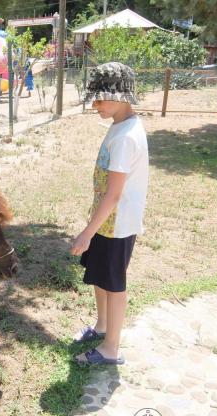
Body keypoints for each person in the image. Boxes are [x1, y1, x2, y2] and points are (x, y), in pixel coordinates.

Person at [70, 62, 149, 366]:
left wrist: (86, 233)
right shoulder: (120, 126)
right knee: (100, 278)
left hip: (117, 225)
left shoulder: (127, 137)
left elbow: (115, 194)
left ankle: (111, 348)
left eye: (101, 98)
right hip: (107, 221)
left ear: (122, 96)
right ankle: (102, 327)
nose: (95, 105)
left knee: (114, 284)